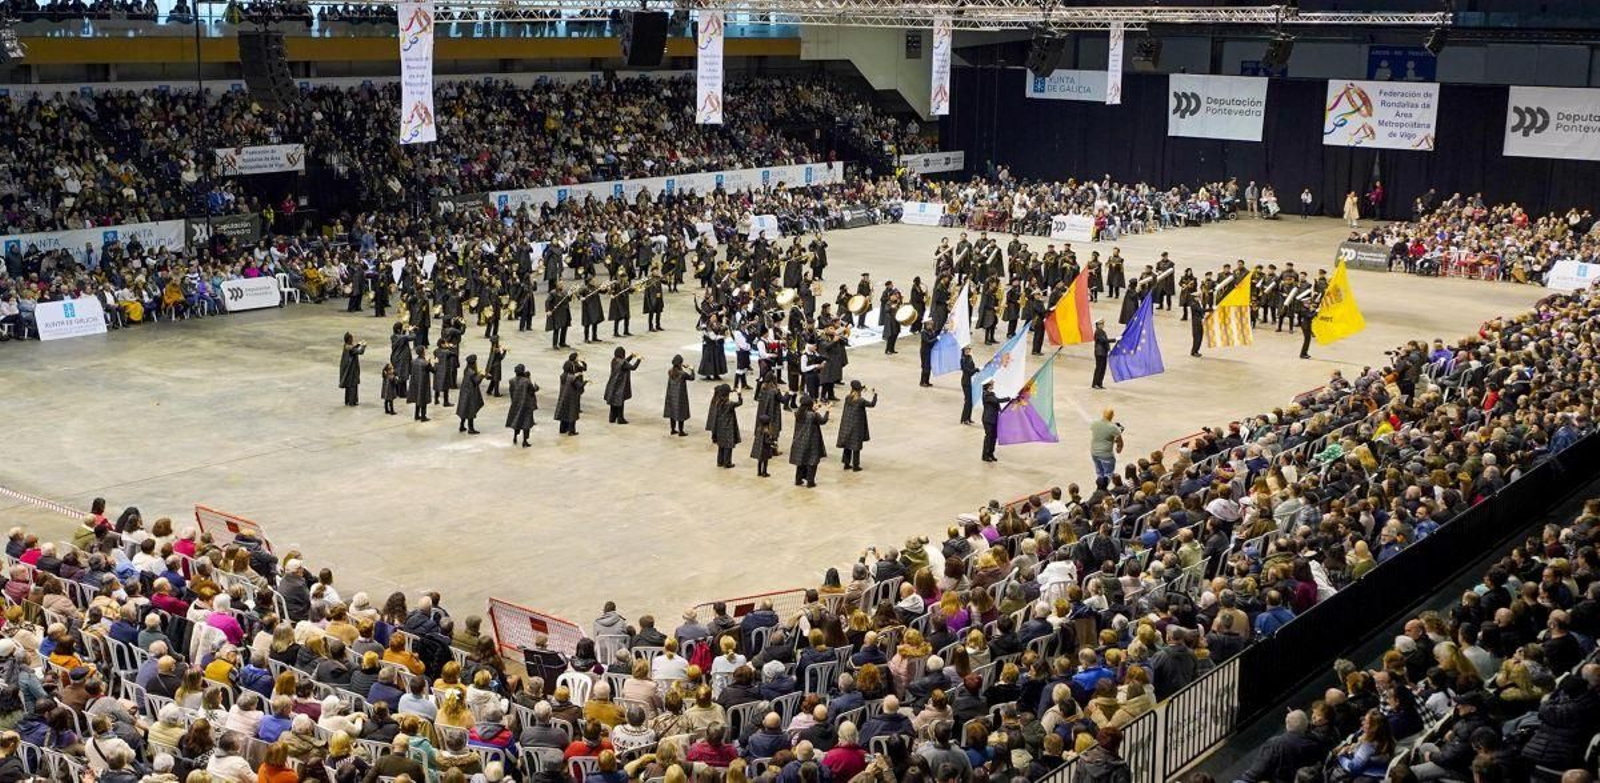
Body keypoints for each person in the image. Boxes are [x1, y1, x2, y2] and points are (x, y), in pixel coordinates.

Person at [835, 381, 878, 472]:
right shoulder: (860, 400)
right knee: (856, 446)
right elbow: (872, 404)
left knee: (847, 445)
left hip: (847, 424)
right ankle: (856, 465)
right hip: (857, 426)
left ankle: (846, 464)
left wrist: (862, 388)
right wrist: (875, 395)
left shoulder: (848, 398)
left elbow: (856, 391)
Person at [789, 395, 830, 488]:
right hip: (812, 440)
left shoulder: (798, 413)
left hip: (799, 440)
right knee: (812, 461)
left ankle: (798, 480)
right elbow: (823, 421)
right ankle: (810, 482)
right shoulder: (813, 415)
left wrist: (814, 409)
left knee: (801, 461)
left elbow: (808, 414)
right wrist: (827, 410)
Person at [708, 384, 743, 469]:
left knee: (721, 446)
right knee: (728, 446)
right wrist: (739, 395)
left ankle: (720, 462)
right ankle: (727, 463)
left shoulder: (717, 402)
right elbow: (740, 403)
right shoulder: (729, 404)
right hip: (728, 428)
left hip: (719, 427)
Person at [604, 347, 641, 424]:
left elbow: (624, 363)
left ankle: (612, 418)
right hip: (620, 385)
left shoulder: (614, 360)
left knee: (613, 402)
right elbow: (633, 367)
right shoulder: (623, 363)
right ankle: (620, 418)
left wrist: (631, 356)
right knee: (620, 402)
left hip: (613, 384)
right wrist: (638, 359)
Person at [505, 364, 537, 447]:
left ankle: (515, 436)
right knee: (526, 423)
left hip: (516, 403)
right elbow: (532, 390)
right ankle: (525, 440)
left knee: (517, 421)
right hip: (526, 404)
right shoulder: (526, 381)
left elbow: (511, 392)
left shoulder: (511, 381)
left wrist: (514, 401)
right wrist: (536, 388)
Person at [664, 354, 693, 437]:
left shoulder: (670, 371)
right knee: (681, 413)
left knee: (672, 412)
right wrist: (691, 369)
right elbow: (692, 377)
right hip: (680, 396)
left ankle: (673, 429)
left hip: (671, 395)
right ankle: (681, 431)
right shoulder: (682, 374)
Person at [980, 380, 1009, 463]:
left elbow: (997, 405)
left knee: (993, 437)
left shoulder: (991, 394)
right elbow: (997, 401)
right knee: (989, 437)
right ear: (988, 385)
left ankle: (991, 454)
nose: (993, 384)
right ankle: (985, 455)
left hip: (994, 419)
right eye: (992, 383)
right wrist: (1009, 398)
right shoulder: (986, 395)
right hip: (988, 420)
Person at [1089, 408, 1123, 478]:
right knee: (1108, 474)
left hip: (1094, 452)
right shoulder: (1114, 427)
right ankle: (1104, 488)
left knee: (1099, 472)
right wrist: (1119, 448)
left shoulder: (1094, 423)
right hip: (1106, 454)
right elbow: (1120, 442)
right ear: (1112, 416)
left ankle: (1100, 486)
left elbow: (1103, 436)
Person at [455, 354, 485, 434]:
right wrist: (482, 375)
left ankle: (461, 425)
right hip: (470, 394)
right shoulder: (471, 372)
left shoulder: (467, 369)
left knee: (464, 409)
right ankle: (471, 429)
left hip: (465, 392)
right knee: (470, 410)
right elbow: (476, 381)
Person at [556, 364, 587, 437]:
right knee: (572, 414)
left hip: (564, 396)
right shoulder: (572, 378)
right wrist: (585, 382)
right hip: (572, 397)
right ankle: (571, 431)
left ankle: (562, 429)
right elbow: (579, 385)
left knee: (564, 413)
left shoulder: (563, 375)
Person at [339, 333, 365, 406]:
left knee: (348, 386)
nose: (352, 339)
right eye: (351, 338)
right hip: (352, 370)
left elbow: (353, 347)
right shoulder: (350, 349)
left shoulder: (346, 346)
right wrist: (363, 346)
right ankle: (352, 401)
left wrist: (358, 344)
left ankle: (347, 400)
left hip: (349, 370)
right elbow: (360, 352)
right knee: (353, 385)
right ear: (348, 339)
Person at [409, 345, 434, 422]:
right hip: (423, 383)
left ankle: (416, 415)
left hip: (416, 382)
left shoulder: (413, 361)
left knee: (417, 398)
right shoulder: (425, 363)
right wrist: (430, 362)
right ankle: (423, 416)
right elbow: (433, 370)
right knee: (423, 400)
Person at [751, 414, 778, 478]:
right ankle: (764, 472)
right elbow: (766, 441)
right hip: (765, 449)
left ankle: (759, 472)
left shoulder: (758, 429)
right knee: (765, 461)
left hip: (759, 448)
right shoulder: (766, 431)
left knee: (759, 461)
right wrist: (772, 442)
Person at [958, 346, 978, 424]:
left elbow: (973, 367)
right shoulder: (962, 360)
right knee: (968, 401)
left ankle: (968, 418)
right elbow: (968, 371)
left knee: (971, 401)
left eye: (969, 349)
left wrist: (976, 370)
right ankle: (964, 419)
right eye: (966, 349)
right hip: (966, 382)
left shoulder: (970, 357)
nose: (968, 351)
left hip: (971, 381)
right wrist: (976, 370)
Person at [1091, 319, 1110, 389]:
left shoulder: (1103, 332)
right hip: (1099, 353)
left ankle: (1099, 383)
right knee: (1099, 368)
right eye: (1101, 324)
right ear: (1097, 325)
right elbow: (1103, 341)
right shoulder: (1098, 332)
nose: (1102, 325)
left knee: (1103, 369)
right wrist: (1115, 339)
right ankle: (1095, 383)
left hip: (1104, 353)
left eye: (1103, 324)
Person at [918, 322, 938, 387]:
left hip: (930, 351)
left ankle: (927, 381)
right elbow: (928, 341)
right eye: (929, 325)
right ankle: (922, 381)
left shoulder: (931, 331)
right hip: (924, 352)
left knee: (929, 367)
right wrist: (936, 339)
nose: (931, 326)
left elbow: (934, 336)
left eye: (931, 325)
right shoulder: (923, 332)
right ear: (926, 325)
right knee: (925, 367)